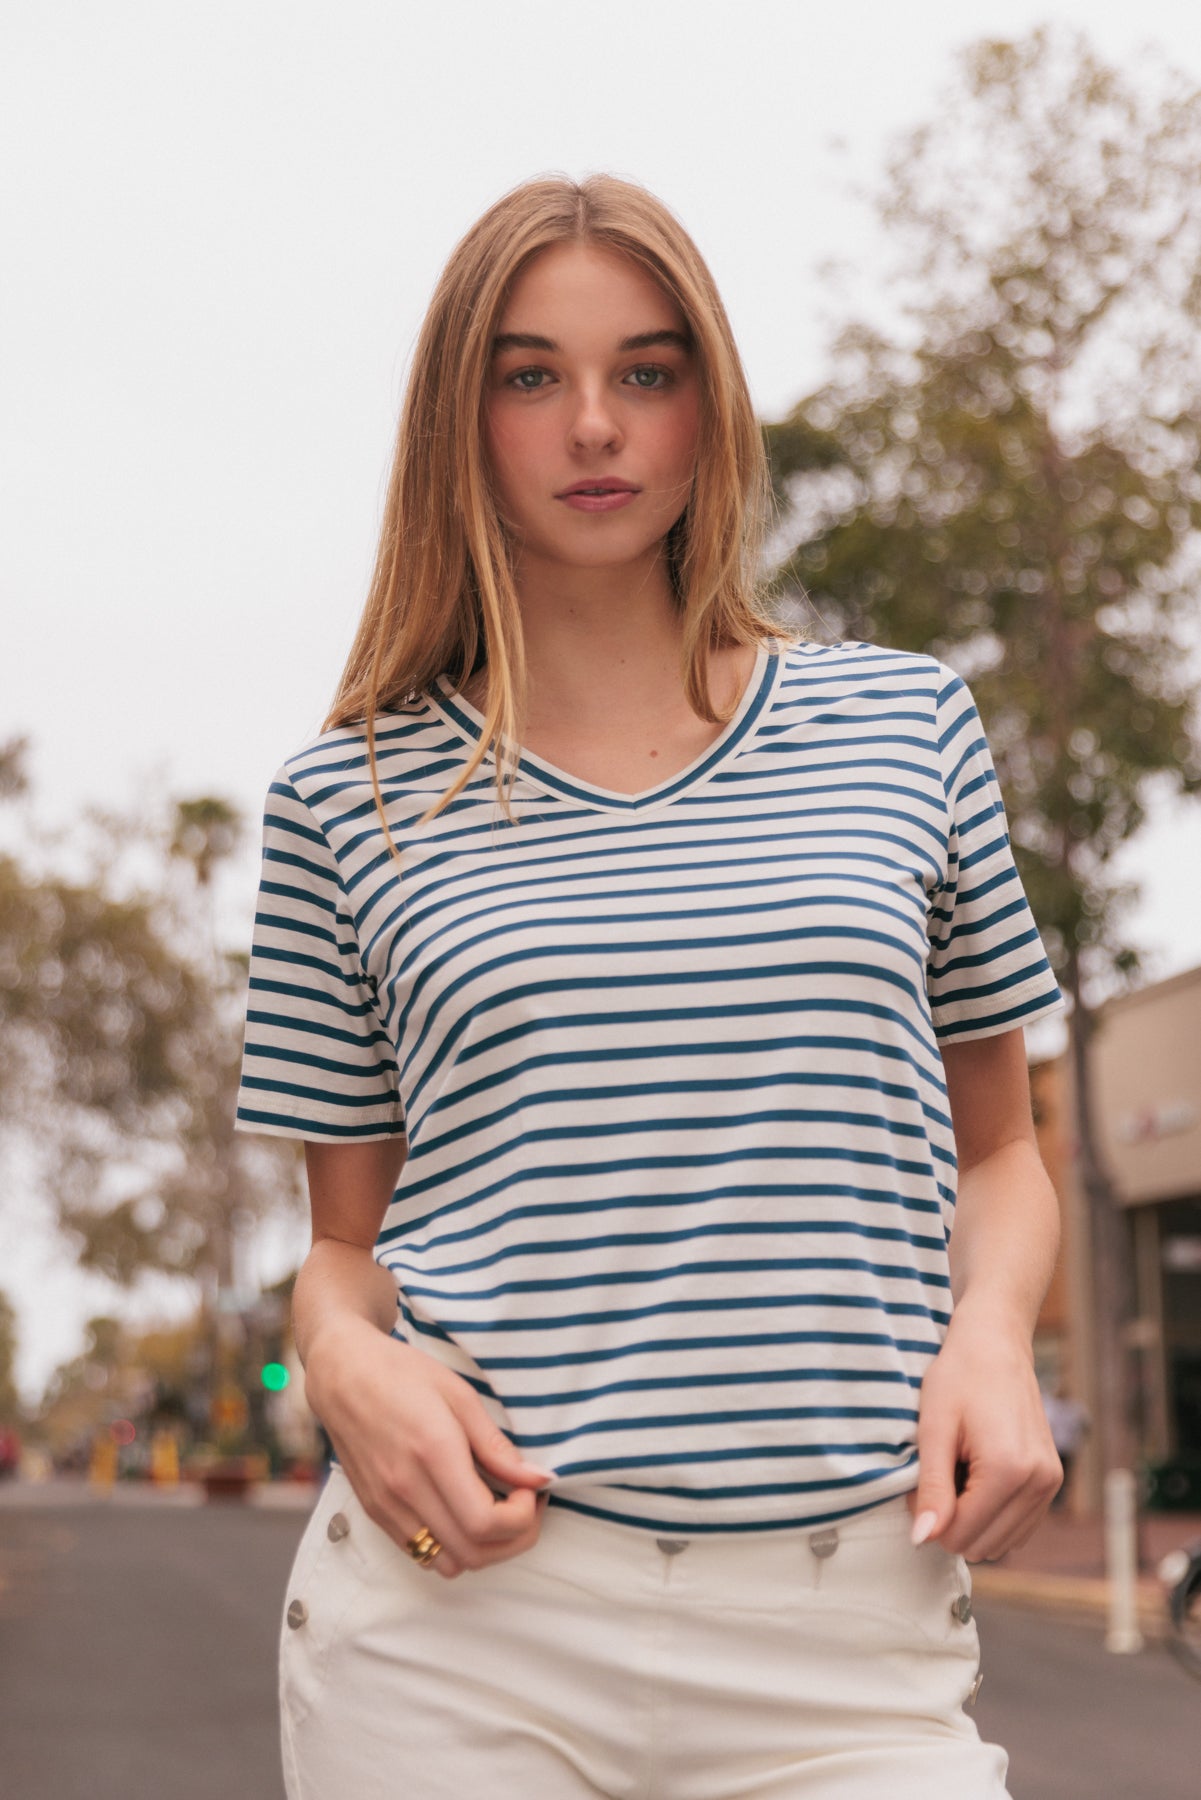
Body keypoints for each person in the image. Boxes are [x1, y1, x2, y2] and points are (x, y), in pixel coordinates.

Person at [235, 174, 1065, 1800]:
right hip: (457, 1630)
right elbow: (342, 1251)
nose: (595, 425)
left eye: (647, 371)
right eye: (532, 374)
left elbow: (1005, 1150)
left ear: (710, 408)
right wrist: (343, 1369)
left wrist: (993, 1333)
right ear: (459, 423)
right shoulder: (347, 801)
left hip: (851, 1645)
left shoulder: (905, 733)